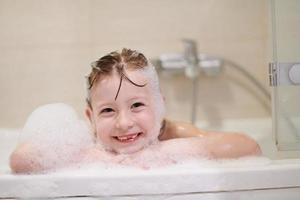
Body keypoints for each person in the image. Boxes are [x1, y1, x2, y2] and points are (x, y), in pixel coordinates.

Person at [10, 48, 261, 173]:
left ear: (160, 105)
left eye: (137, 105)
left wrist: (164, 152)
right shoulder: (86, 141)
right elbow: (20, 160)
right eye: (108, 110)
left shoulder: (173, 132)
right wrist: (102, 158)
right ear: (90, 117)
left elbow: (248, 147)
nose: (124, 122)